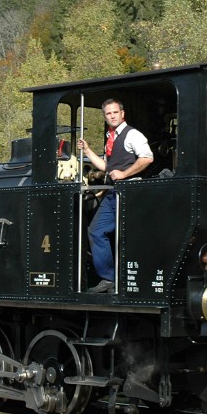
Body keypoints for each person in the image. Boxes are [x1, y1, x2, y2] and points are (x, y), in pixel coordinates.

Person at [77, 99, 153, 293]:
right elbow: (107, 167)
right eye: (108, 114)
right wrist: (87, 150)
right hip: (113, 194)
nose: (112, 116)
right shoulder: (110, 137)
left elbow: (147, 157)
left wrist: (124, 174)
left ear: (122, 114)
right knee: (95, 231)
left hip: (129, 193)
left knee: (127, 236)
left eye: (115, 112)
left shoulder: (132, 135)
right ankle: (109, 278)